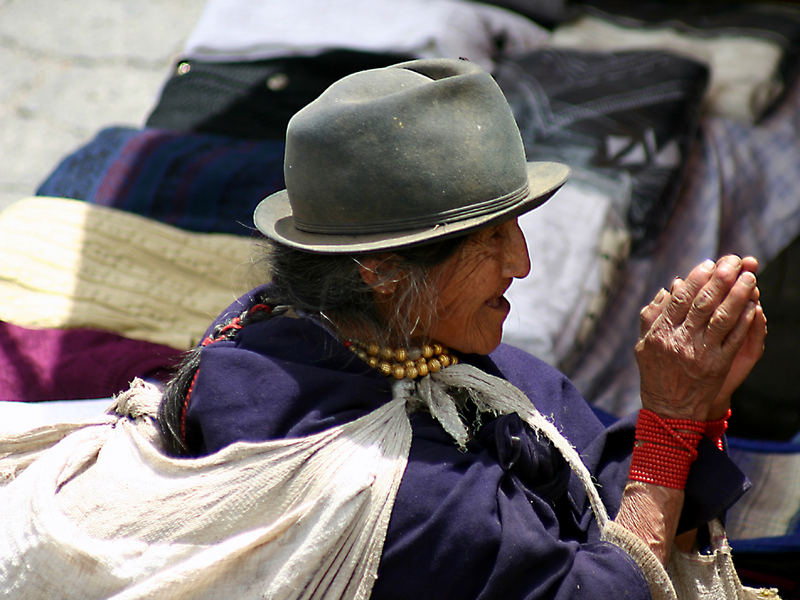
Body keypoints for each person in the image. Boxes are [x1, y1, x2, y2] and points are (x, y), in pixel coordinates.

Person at [158, 58, 767, 598]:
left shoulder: (385, 338)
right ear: (382, 271)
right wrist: (671, 424)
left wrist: (698, 399)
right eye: (491, 238)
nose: (521, 263)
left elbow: (590, 468)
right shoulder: (389, 486)